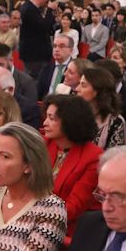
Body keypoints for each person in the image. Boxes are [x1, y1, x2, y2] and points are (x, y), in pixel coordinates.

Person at [41, 93, 102, 233]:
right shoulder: (43, 145)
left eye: (51, 118)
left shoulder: (94, 157)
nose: (44, 123)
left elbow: (73, 207)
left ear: (69, 121)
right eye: (46, 116)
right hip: (31, 219)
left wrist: (36, 218)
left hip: (65, 229)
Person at [77, 64, 126, 150]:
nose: (77, 89)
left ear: (97, 90)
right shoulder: (73, 115)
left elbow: (114, 158)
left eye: (83, 85)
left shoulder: (116, 122)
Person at [17, 0, 57, 75]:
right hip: (35, 56)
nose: (47, 1)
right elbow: (43, 27)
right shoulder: (29, 9)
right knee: (35, 82)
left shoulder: (31, 8)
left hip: (37, 55)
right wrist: (50, 10)